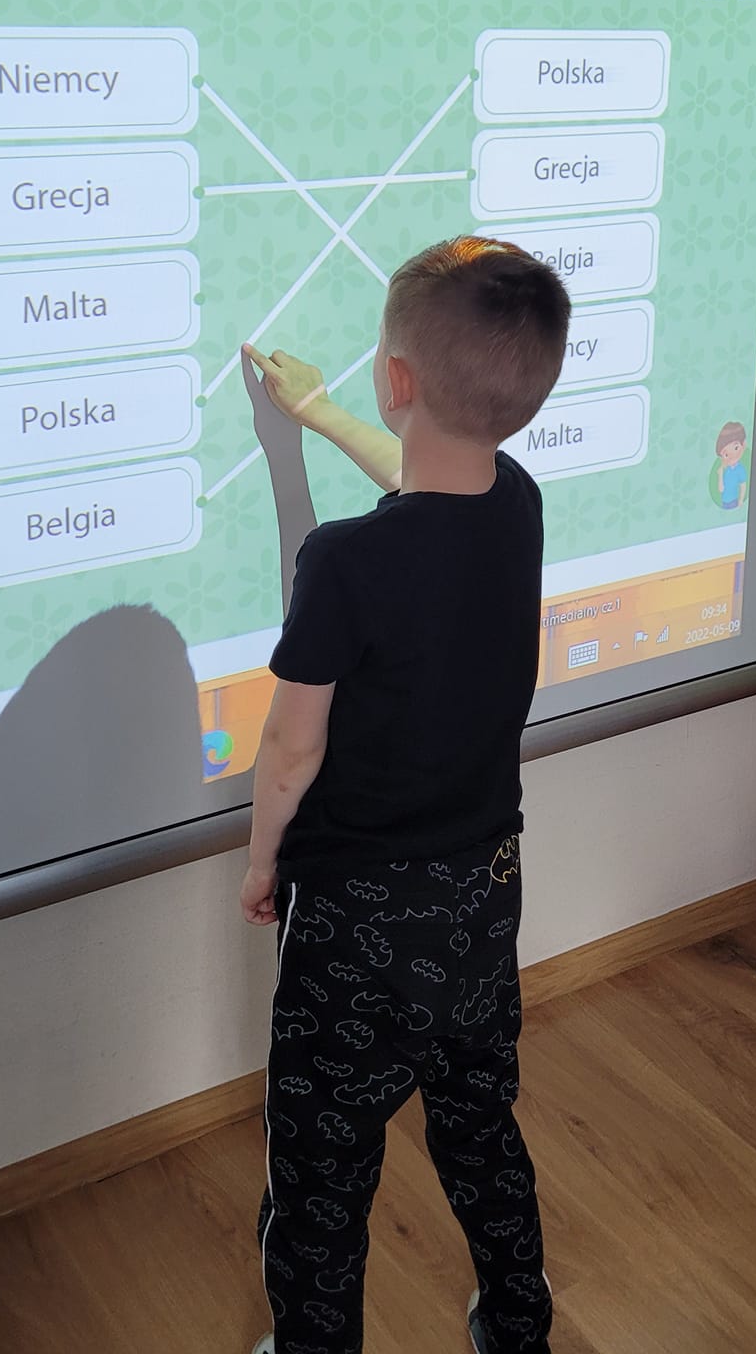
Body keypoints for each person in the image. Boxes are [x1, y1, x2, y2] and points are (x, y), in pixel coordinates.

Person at [239, 236, 570, 1354]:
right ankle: (517, 1321)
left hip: (357, 920)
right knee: (479, 1124)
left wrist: (261, 863)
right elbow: (424, 484)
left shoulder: (344, 563)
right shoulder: (518, 501)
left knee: (321, 1169)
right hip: (483, 896)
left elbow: (289, 751)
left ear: (397, 375)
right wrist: (321, 419)